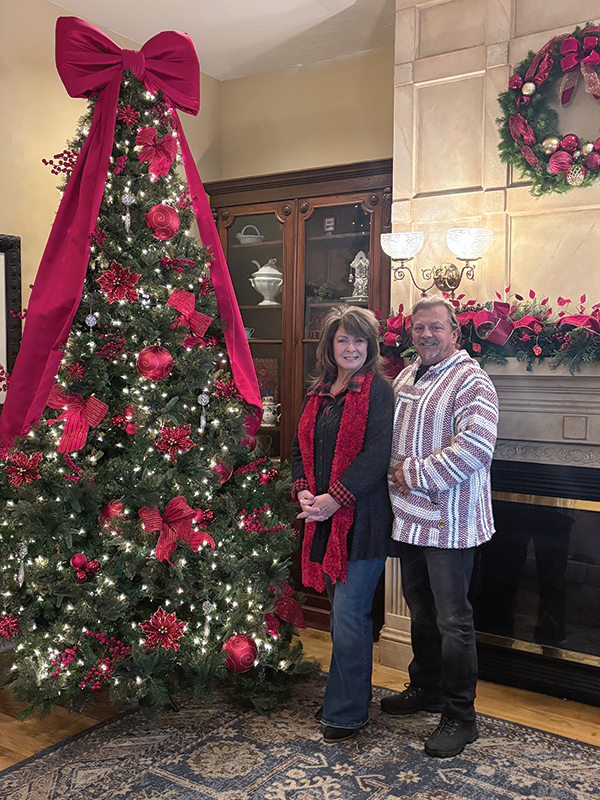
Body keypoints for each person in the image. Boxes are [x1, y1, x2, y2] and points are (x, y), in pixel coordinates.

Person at [381, 296, 499, 758]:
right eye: (418, 329)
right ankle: (425, 688)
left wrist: (410, 473)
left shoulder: (473, 381)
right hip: (410, 520)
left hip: (451, 524)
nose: (426, 336)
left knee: (454, 622)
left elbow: (473, 450)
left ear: (455, 333)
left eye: (435, 328)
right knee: (421, 612)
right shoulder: (408, 374)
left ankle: (460, 716)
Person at [292, 304, 394, 744]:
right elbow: (299, 449)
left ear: (369, 347)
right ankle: (346, 695)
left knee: (351, 616)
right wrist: (303, 493)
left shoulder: (379, 391)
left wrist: (335, 499)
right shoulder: (318, 393)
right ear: (330, 346)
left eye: (359, 340)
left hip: (362, 521)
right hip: (320, 519)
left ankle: (348, 713)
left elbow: (377, 455)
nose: (351, 348)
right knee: (341, 617)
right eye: (342, 340)